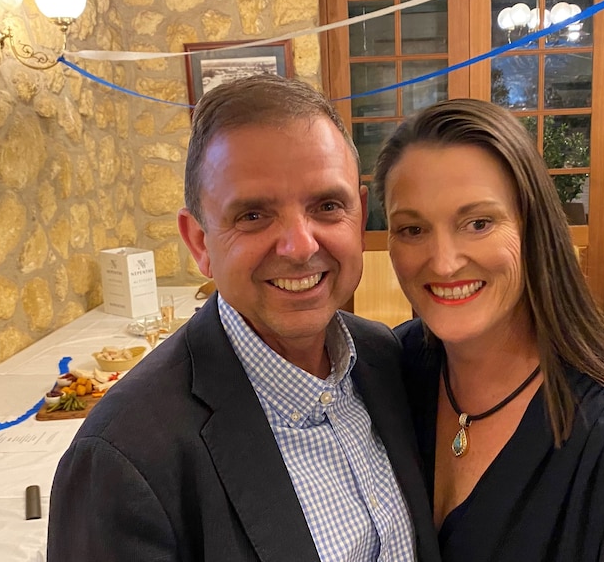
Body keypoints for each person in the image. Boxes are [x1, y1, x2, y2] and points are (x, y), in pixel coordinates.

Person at [47, 75, 441, 561]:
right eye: (253, 215)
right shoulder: (123, 460)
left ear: (358, 218)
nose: (300, 246)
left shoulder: (386, 360)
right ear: (199, 243)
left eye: (327, 206)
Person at [372, 98, 604, 561]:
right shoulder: (389, 370)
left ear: (534, 229)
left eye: (479, 223)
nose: (444, 262)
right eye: (412, 230)